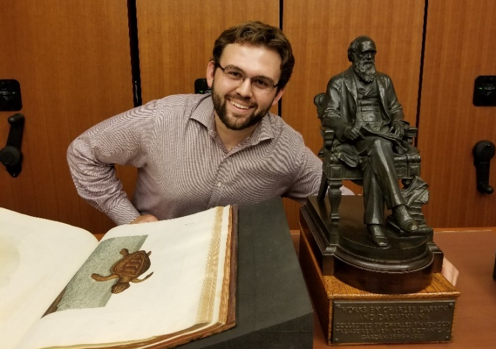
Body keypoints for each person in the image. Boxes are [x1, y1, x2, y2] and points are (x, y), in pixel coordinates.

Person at [67, 21, 352, 225]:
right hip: (156, 261)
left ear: (278, 93)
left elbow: (340, 199)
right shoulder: (162, 118)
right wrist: (129, 220)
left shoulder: (288, 149)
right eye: (234, 73)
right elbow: (84, 151)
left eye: (261, 82)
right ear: (212, 73)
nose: (244, 90)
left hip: (238, 274)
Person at [322, 35, 418, 247]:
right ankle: (399, 209)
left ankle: (375, 225)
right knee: (377, 145)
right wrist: (346, 129)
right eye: (364, 53)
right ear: (352, 55)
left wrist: (398, 122)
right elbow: (329, 114)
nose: (369, 58)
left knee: (376, 152)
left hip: (383, 136)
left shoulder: (384, 81)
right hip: (356, 139)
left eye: (372, 53)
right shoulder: (338, 82)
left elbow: (395, 108)